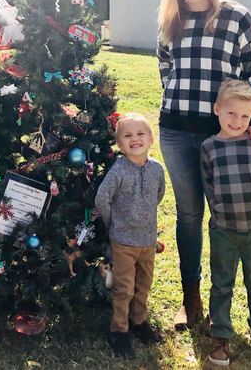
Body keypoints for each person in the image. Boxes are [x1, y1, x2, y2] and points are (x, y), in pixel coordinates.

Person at [156, 0, 251, 330]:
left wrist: (245, 121)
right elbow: (165, 69)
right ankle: (191, 301)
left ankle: (228, 306)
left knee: (224, 216)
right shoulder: (171, 20)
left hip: (220, 137)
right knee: (189, 215)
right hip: (174, 131)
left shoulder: (237, 16)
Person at [201, 79, 251, 366]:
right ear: (217, 109)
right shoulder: (209, 147)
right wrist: (222, 212)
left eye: (245, 116)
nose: (238, 121)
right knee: (221, 284)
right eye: (231, 113)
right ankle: (220, 334)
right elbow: (208, 184)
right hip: (224, 230)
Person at [95, 113, 165, 360]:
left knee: (143, 284)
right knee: (124, 288)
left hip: (147, 240)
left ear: (151, 138)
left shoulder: (156, 169)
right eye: (127, 135)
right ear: (120, 144)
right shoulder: (119, 170)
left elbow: (158, 195)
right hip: (123, 241)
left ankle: (139, 322)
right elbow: (102, 198)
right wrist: (114, 223)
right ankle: (119, 330)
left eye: (140, 134)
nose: (135, 139)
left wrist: (144, 219)